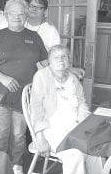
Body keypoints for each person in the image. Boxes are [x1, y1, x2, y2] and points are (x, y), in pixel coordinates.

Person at [0, 0, 48, 174]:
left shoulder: (34, 36)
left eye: (21, 13)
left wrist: (66, 72)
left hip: (25, 95)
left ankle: (17, 165)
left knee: (19, 134)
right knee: (0, 134)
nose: (16, 16)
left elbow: (47, 64)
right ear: (6, 14)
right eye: (12, 13)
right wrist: (3, 78)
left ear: (26, 15)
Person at [30, 45, 103, 174]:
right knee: (75, 155)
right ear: (49, 61)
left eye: (64, 56)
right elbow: (36, 109)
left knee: (96, 150)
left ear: (68, 60)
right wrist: (40, 138)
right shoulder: (41, 76)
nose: (60, 60)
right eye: (56, 57)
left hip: (74, 125)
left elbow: (82, 103)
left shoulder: (73, 78)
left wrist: (84, 125)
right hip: (51, 127)